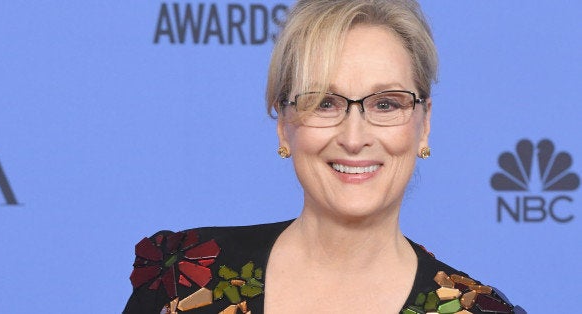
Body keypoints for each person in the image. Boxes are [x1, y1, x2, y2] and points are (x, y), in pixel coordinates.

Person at [124, 0, 523, 313]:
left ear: (424, 123)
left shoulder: (476, 309)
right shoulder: (186, 277)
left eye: (386, 104)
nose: (354, 137)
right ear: (283, 123)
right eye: (325, 103)